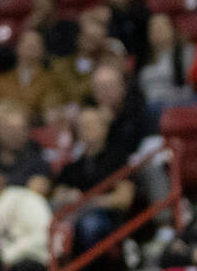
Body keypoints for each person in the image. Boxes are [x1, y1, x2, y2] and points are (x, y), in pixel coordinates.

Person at [52, 106, 136, 263]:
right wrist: (67, 196)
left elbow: (124, 198)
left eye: (91, 124)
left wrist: (87, 201)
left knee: (89, 225)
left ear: (104, 128)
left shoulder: (117, 159)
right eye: (82, 126)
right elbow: (57, 194)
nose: (86, 129)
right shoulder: (73, 166)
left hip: (105, 217)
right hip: (74, 216)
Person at [0, 155, 52, 271]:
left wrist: (8, 255)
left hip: (30, 260)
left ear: (1, 176)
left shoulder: (24, 197)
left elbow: (43, 233)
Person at [0, 30, 60, 123]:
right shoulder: (0, 81)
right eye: (26, 43)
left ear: (43, 50)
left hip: (36, 126)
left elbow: (51, 109)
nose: (31, 47)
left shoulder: (51, 80)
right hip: (3, 128)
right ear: (17, 48)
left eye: (36, 44)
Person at [138, 13, 194, 106]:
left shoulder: (185, 53)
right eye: (154, 28)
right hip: (148, 105)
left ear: (172, 29)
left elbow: (189, 84)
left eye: (162, 27)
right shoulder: (143, 58)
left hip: (176, 103)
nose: (158, 31)